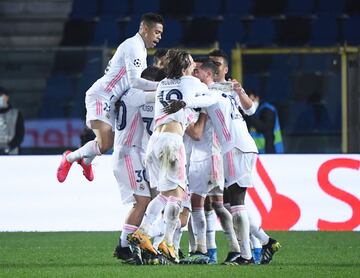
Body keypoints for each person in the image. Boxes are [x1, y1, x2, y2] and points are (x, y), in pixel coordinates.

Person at [128, 49, 217, 263]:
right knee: (177, 196)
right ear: (185, 66)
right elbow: (212, 97)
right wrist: (189, 103)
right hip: (171, 141)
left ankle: (143, 232)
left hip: (154, 143)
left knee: (164, 194)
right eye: (192, 63)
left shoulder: (163, 84)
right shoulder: (191, 82)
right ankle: (166, 241)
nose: (195, 66)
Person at [56, 13, 164, 183]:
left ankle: (86, 161)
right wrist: (163, 87)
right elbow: (135, 82)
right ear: (144, 28)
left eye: (161, 33)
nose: (159, 37)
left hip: (113, 101)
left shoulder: (140, 49)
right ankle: (69, 158)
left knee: (110, 142)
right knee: (105, 143)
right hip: (101, 96)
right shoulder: (134, 46)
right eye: (157, 32)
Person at [246, 89, 284, 154]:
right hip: (257, 151)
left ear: (257, 98)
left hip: (272, 150)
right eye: (248, 102)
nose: (250, 104)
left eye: (252, 100)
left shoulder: (268, 110)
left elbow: (265, 128)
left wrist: (250, 114)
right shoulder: (254, 111)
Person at [0, 87, 24, 155]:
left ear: (7, 97)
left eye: (1, 95)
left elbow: (20, 135)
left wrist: (8, 147)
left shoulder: (16, 114)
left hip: (12, 154)